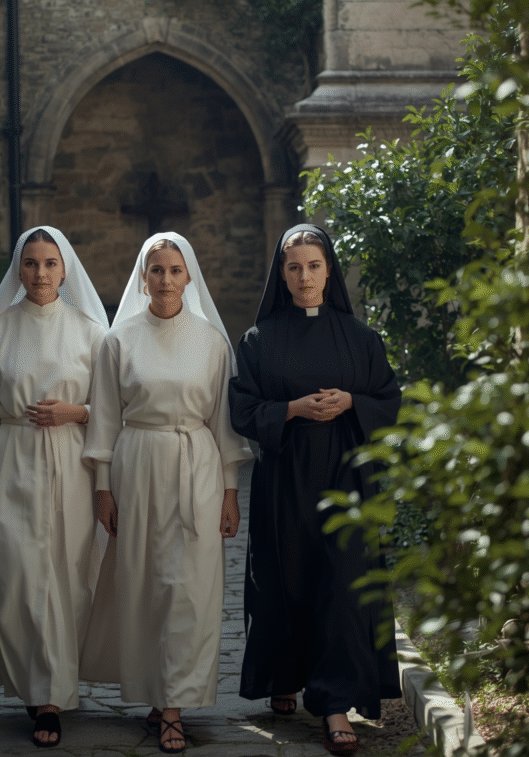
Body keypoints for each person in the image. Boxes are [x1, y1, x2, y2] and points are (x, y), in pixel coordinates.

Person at [228, 224, 402, 756]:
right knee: (284, 578)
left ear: (330, 271)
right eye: (294, 266)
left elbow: (391, 402)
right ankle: (285, 674)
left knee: (343, 585)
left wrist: (353, 403)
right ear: (281, 275)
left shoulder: (362, 338)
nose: (305, 276)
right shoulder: (258, 340)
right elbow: (243, 409)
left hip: (347, 477)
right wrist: (293, 409)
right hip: (285, 479)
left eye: (314, 265)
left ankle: (333, 703)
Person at [81, 232, 252, 755]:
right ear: (142, 277)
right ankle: (158, 691)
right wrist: (103, 490)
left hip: (197, 466)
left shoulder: (212, 342)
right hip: (138, 466)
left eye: (175, 271)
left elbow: (224, 425)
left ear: (190, 277)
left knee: (190, 588)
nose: (166, 281)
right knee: (147, 585)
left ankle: (174, 704)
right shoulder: (120, 340)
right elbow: (105, 420)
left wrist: (229, 492)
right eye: (156, 271)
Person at [0, 226, 108, 748]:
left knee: (64, 574)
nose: (40, 273)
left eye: (50, 264)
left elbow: (113, 410)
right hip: (12, 460)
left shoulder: (90, 332)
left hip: (72, 462)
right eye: (31, 263)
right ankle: (33, 684)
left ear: (66, 270)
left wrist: (74, 411)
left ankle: (51, 697)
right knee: (14, 576)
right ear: (19, 269)